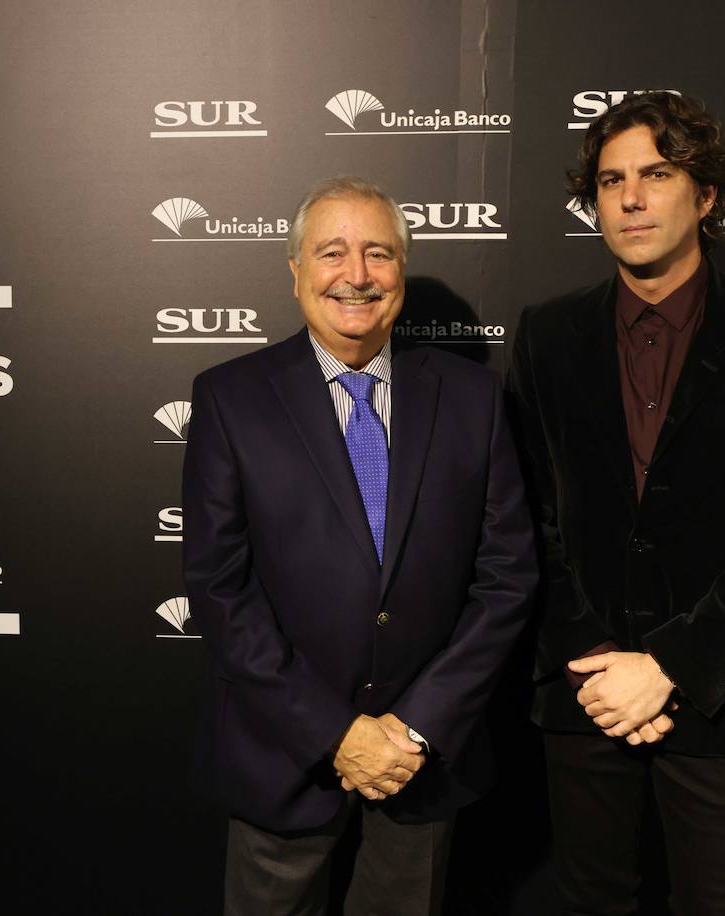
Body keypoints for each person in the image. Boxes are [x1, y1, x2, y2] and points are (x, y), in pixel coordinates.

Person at [506, 92, 725, 914]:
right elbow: (526, 521)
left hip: (721, 698)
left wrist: (668, 670)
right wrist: (599, 668)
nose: (629, 198)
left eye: (656, 174)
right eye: (611, 180)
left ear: (708, 195)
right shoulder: (546, 335)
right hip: (583, 694)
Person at [182, 176, 536, 915]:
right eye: (332, 252)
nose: (357, 275)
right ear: (296, 270)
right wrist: (334, 732)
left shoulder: (472, 399)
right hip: (281, 754)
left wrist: (413, 729)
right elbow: (220, 587)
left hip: (422, 761)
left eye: (378, 253)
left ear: (400, 269)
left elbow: (506, 578)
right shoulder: (230, 397)